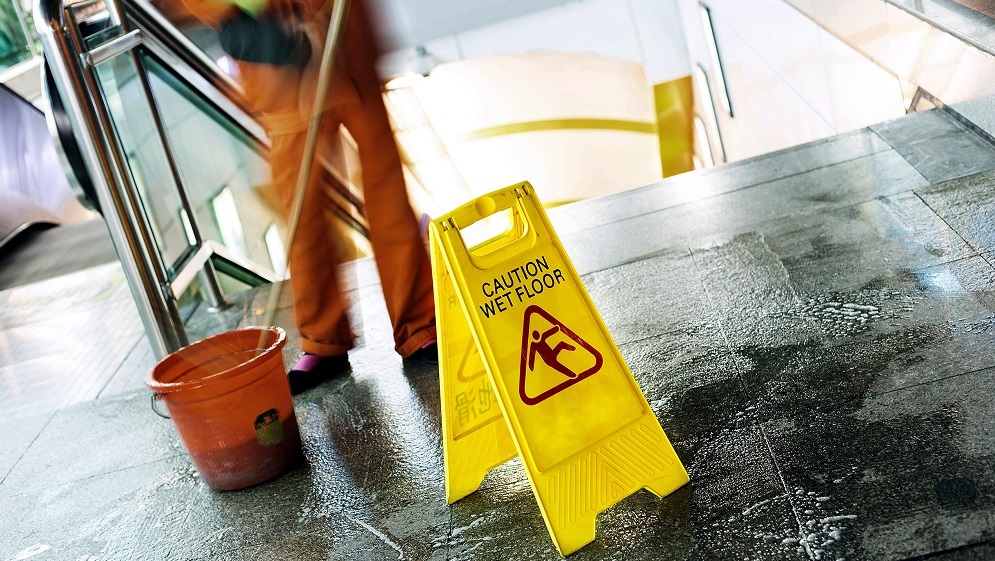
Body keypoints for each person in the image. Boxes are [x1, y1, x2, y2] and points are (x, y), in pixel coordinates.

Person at [177, 0, 437, 393]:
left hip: (344, 38)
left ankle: (420, 325)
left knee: (387, 195)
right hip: (279, 59)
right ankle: (324, 338)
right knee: (303, 212)